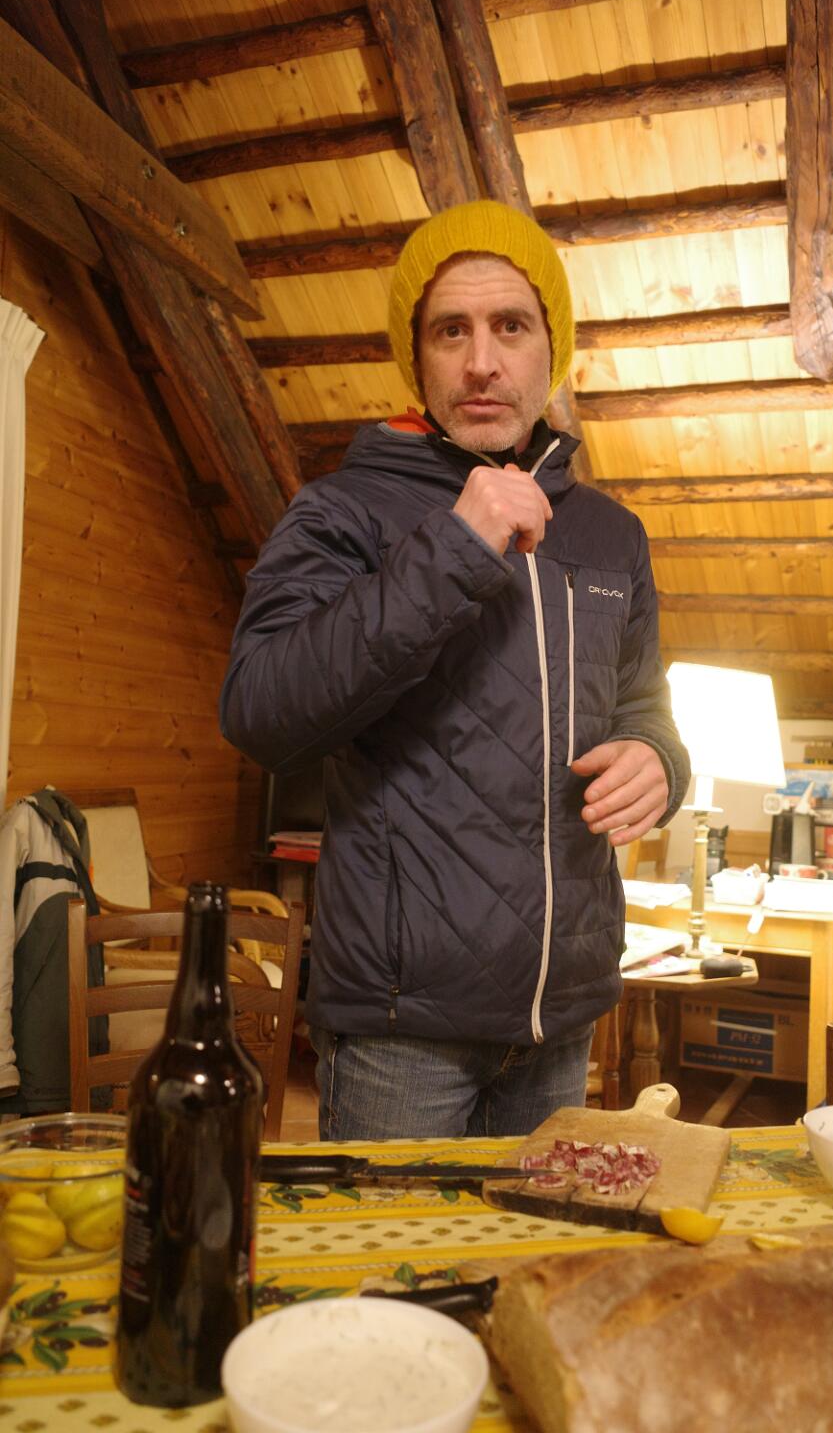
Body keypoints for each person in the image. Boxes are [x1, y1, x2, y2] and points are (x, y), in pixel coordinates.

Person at [220, 200, 690, 1139]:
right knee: (401, 1246)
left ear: (552, 349)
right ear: (417, 356)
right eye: (451, 331)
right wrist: (453, 548)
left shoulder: (612, 535)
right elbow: (260, 710)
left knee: (533, 1240)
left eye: (510, 326)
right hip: (400, 1026)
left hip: (562, 1018)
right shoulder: (340, 512)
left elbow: (644, 707)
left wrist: (660, 763)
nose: (481, 362)